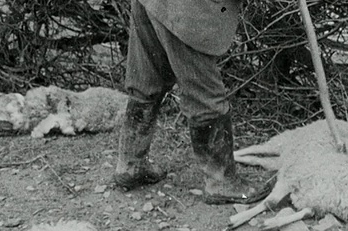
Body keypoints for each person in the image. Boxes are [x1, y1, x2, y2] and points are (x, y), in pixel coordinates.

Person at [114, 0, 269, 204]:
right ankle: (221, 182)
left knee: (146, 79)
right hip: (188, 8)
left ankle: (130, 165)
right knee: (203, 92)